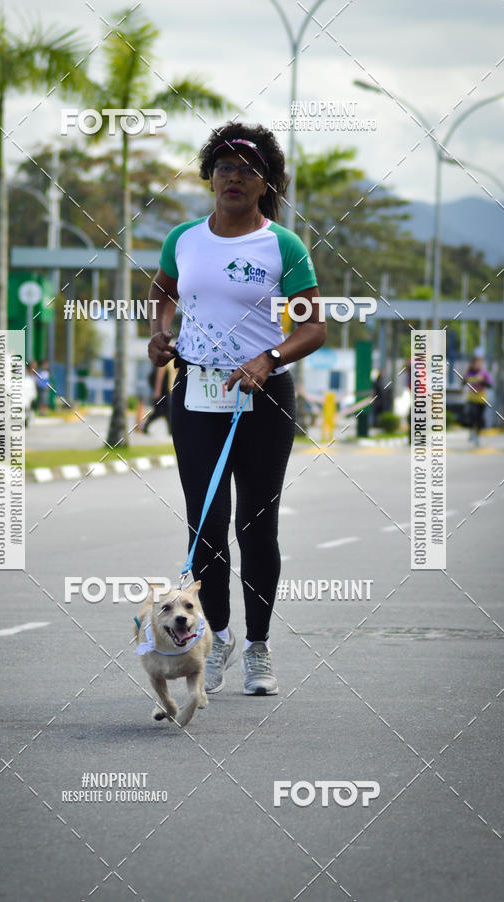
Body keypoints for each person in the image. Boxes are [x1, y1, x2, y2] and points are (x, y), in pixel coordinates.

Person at [147, 122, 326, 696]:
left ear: (265, 182)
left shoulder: (283, 245)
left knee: (256, 524)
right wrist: (159, 332)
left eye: (248, 169)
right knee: (206, 526)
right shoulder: (184, 238)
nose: (234, 177)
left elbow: (314, 326)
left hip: (263, 397)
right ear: (210, 176)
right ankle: (218, 636)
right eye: (224, 166)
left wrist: (269, 357)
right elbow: (164, 291)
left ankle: (258, 648)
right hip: (196, 395)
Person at [462, 352, 492, 446]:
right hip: (471, 399)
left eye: (479, 363)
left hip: (481, 399)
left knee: (479, 418)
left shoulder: (484, 374)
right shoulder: (469, 373)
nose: (478, 365)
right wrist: (465, 379)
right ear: (473, 363)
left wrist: (482, 380)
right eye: (476, 363)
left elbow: (490, 385)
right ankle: (471, 431)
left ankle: (477, 437)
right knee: (471, 416)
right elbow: (463, 383)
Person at [142, 361, 173, 435]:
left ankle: (170, 431)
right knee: (160, 411)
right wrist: (157, 391)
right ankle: (145, 426)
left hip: (167, 390)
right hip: (163, 391)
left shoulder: (170, 359)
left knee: (167, 411)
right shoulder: (164, 359)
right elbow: (160, 375)